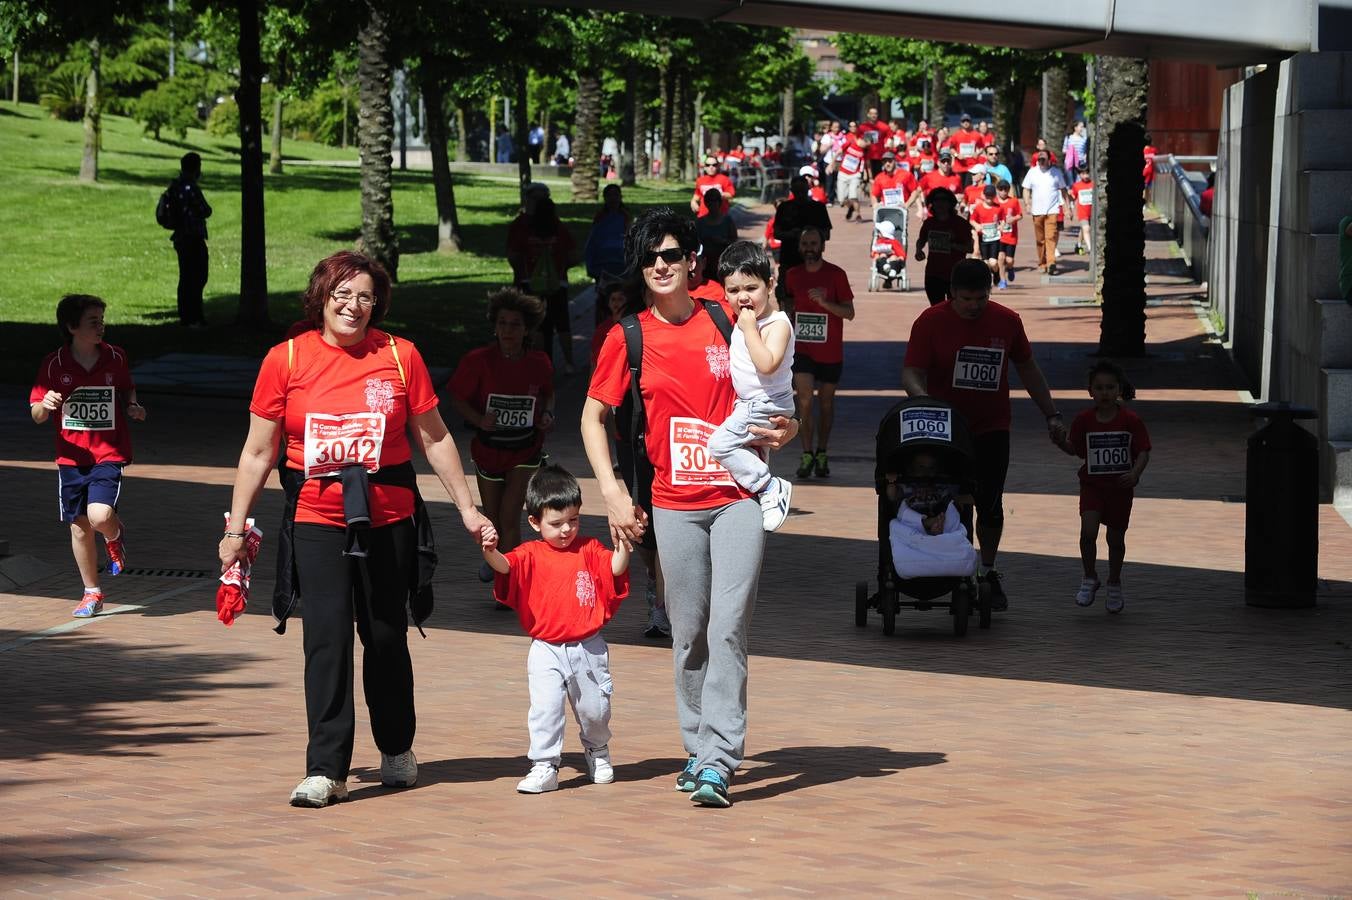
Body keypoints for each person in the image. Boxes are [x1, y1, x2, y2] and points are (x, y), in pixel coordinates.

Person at [218, 250, 491, 809]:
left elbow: (435, 437)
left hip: (389, 516)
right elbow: (257, 451)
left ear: (377, 304)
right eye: (342, 294)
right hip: (316, 518)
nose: (353, 305)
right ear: (321, 297)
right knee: (326, 637)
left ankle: (396, 746)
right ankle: (325, 768)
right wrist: (236, 526)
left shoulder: (399, 354)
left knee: (386, 635)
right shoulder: (286, 359)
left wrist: (468, 506)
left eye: (365, 295)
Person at [582, 207, 798, 808]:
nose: (660, 265)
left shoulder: (725, 313)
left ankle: (720, 758)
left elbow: (773, 381)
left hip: (737, 497)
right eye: (650, 257)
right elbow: (592, 417)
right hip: (672, 502)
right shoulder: (627, 337)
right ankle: (699, 745)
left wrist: (791, 422)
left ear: (691, 260)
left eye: (672, 254)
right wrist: (612, 491)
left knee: (729, 626)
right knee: (688, 630)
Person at [902, 258, 1066, 612]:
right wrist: (926, 402)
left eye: (981, 298)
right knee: (956, 503)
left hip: (992, 427)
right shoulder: (930, 322)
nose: (975, 306)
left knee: (990, 503)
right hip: (946, 431)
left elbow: (1028, 369)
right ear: (951, 295)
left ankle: (988, 570)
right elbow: (911, 373)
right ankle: (961, 569)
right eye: (966, 299)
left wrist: (1051, 414)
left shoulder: (1007, 321)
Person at [480, 464, 630, 793]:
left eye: (573, 520)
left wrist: (624, 544)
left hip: (587, 646)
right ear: (535, 522)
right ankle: (544, 764)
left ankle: (597, 748)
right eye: (556, 523)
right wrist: (490, 550)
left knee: (594, 710)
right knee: (545, 707)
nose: (566, 530)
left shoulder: (589, 549)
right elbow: (506, 566)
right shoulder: (529, 553)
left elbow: (614, 569)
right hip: (545, 647)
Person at [30, 294, 146, 618]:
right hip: (70, 458)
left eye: (102, 321)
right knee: (79, 527)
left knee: (98, 516)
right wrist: (47, 404)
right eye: (93, 322)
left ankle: (115, 534)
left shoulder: (116, 357)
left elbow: (126, 388)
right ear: (71, 327)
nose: (101, 328)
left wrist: (133, 406)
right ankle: (91, 592)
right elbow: (37, 413)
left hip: (108, 452)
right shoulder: (53, 365)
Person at [448, 288, 556, 585]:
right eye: (503, 323)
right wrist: (479, 420)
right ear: (494, 327)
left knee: (509, 516)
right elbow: (457, 398)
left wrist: (547, 414)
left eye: (515, 324)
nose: (508, 330)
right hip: (488, 450)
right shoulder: (478, 361)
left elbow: (549, 395)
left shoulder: (539, 362)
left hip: (526, 449)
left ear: (526, 329)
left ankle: (510, 582)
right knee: (492, 519)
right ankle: (497, 562)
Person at [707, 241, 796, 531]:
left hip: (765, 403)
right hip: (750, 404)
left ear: (769, 285)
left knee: (719, 445)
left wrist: (747, 329)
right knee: (752, 454)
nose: (743, 297)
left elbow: (767, 363)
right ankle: (762, 497)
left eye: (751, 288)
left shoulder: (777, 324)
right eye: (733, 291)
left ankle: (770, 487)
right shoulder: (748, 320)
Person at [1053, 361, 1151, 614]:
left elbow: (1143, 451)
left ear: (1119, 389)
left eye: (1110, 387)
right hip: (1093, 486)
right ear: (1090, 391)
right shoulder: (1084, 420)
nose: (1105, 392)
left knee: (1115, 540)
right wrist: (1059, 442)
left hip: (1120, 488)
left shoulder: (1130, 420)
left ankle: (1114, 582)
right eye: (1099, 387)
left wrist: (1135, 473)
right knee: (1088, 532)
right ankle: (1090, 576)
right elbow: (1075, 450)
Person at [785, 226, 854, 480]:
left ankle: (822, 451)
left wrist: (825, 304)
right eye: (805, 244)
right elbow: (788, 303)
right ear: (800, 248)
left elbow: (849, 312)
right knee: (803, 400)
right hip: (802, 349)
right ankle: (806, 453)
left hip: (830, 350)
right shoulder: (792, 275)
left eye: (814, 243)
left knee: (825, 403)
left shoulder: (836, 275)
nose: (810, 249)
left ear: (822, 246)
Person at [508, 197, 578, 373]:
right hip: (557, 283)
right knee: (562, 324)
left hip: (531, 283)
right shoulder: (560, 230)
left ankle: (542, 364)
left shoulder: (526, 230)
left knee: (536, 325)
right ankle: (569, 362)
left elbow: (514, 255)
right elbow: (573, 255)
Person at [165, 152, 211, 327]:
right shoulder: (190, 188)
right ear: (196, 168)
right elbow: (205, 210)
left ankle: (186, 315)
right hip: (193, 236)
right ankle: (195, 316)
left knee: (186, 277)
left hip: (180, 237)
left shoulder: (175, 186)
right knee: (198, 277)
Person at [913, 187, 974, 306]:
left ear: (950, 203)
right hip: (933, 273)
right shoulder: (929, 223)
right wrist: (918, 250)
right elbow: (921, 240)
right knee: (936, 308)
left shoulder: (960, 224)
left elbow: (969, 248)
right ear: (932, 203)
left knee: (956, 308)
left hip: (955, 274)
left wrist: (952, 244)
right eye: (936, 200)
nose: (940, 203)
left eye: (944, 200)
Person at [773, 175, 833, 291]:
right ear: (792, 191)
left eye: (802, 191)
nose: (800, 194)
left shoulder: (818, 208)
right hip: (789, 258)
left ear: (808, 190)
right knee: (785, 293)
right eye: (797, 191)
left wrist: (810, 235)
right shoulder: (784, 208)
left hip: (812, 260)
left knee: (812, 293)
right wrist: (792, 234)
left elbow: (827, 234)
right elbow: (776, 233)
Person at [585, 184, 630, 324]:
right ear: (604, 198)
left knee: (623, 302)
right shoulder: (600, 218)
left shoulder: (625, 217)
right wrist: (591, 266)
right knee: (604, 304)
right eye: (609, 195)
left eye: (616, 195)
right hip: (603, 269)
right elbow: (592, 243)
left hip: (622, 269)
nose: (613, 199)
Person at [1021, 149, 1069, 275]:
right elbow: (1026, 189)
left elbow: (1063, 190)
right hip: (1037, 212)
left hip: (1052, 211)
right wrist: (1027, 204)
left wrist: (1067, 208)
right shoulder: (1032, 172)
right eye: (1039, 159)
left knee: (1050, 237)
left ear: (1049, 159)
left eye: (1043, 159)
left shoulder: (1056, 172)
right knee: (1040, 240)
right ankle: (1042, 262)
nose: (1041, 161)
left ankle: (1051, 262)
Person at [696, 188, 739, 276]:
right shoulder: (699, 222)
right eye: (709, 201)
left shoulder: (727, 220)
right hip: (705, 264)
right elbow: (695, 243)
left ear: (719, 202)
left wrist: (722, 241)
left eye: (715, 201)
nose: (712, 204)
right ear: (706, 203)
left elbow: (735, 242)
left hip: (724, 263)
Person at [969, 184, 1004, 283]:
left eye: (991, 195)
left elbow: (1003, 220)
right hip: (983, 238)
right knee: (985, 262)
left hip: (994, 239)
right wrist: (977, 226)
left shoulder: (998, 208)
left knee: (993, 262)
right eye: (987, 195)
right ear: (983, 195)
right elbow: (972, 220)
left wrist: (1001, 226)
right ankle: (988, 278)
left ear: (994, 196)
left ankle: (996, 273)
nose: (989, 198)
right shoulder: (978, 208)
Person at [835, 126, 868, 222]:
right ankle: (851, 207)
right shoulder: (850, 143)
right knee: (842, 200)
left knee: (853, 196)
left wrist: (864, 174)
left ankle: (858, 215)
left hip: (855, 174)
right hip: (843, 173)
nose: (866, 144)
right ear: (860, 140)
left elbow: (865, 163)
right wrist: (832, 164)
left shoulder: (864, 151)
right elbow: (838, 152)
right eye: (865, 142)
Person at [995, 179, 1023, 289]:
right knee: (1001, 258)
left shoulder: (1014, 201)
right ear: (997, 190)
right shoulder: (994, 202)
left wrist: (1014, 218)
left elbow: (1020, 215)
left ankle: (1010, 268)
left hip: (1011, 235)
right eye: (1001, 189)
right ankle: (1003, 280)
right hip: (999, 236)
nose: (1003, 192)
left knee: (1009, 260)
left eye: (1005, 189)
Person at [871, 218, 907, 289]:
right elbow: (874, 251)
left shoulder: (894, 242)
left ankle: (892, 270)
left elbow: (900, 252)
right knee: (882, 254)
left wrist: (900, 257)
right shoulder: (879, 241)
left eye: (880, 232)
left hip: (893, 261)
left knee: (893, 257)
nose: (878, 233)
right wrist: (875, 255)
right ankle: (886, 267)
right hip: (882, 263)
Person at [1069, 163, 1095, 256]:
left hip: (1092, 212)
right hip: (1082, 212)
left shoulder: (1093, 184)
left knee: (1084, 230)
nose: (1085, 176)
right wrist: (1070, 208)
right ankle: (1090, 249)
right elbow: (1073, 198)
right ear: (1079, 175)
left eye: (1087, 173)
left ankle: (1079, 244)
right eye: (1083, 174)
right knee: (1086, 229)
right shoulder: (1076, 186)